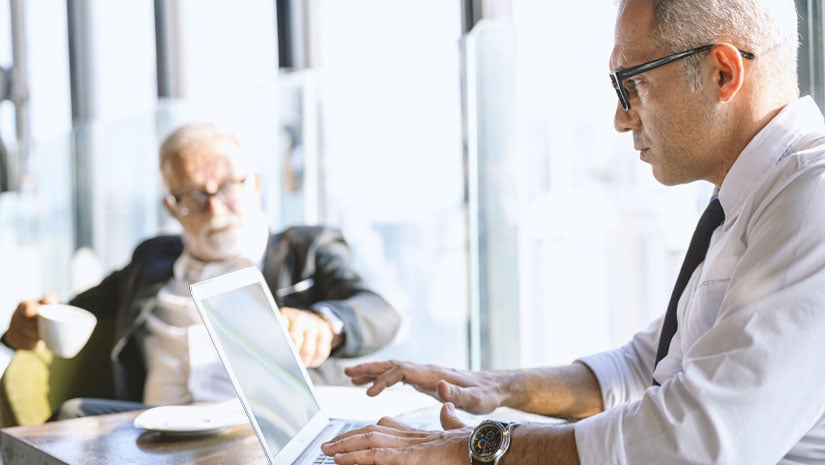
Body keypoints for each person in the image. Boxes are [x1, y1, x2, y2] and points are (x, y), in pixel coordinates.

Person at [320, 0, 825, 463]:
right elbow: (642, 367)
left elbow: (692, 439)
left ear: (723, 72)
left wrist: (464, 450)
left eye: (632, 84)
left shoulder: (812, 200)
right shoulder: (754, 197)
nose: (621, 118)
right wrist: (493, 387)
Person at [1, 122, 401, 418]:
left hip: (261, 429)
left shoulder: (305, 251)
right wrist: (29, 325)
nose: (215, 208)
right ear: (172, 206)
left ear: (255, 184)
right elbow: (73, 313)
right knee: (73, 416)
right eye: (194, 196)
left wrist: (325, 324)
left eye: (228, 186)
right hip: (150, 431)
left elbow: (379, 311)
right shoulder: (151, 260)